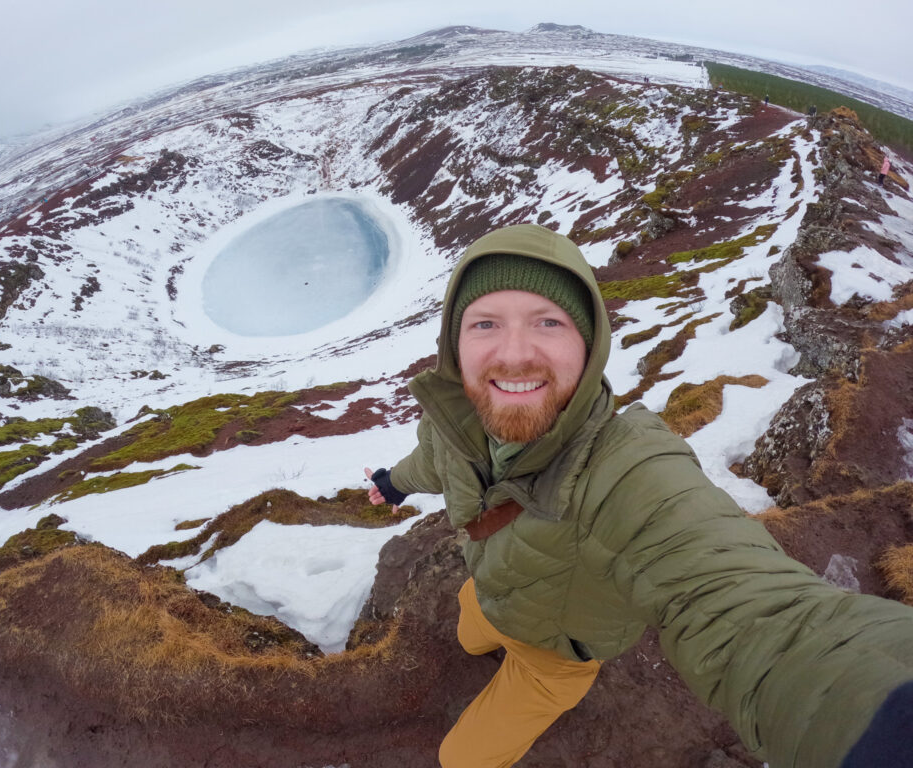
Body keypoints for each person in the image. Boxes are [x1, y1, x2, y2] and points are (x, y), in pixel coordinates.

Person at [364, 224, 913, 768]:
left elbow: (759, 614)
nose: (513, 354)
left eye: (548, 322)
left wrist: (881, 720)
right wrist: (392, 484)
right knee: (468, 629)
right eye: (485, 323)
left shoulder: (630, 470)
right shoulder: (454, 422)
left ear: (589, 346)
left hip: (555, 657)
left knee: (460, 759)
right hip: (492, 592)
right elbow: (432, 463)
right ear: (453, 345)